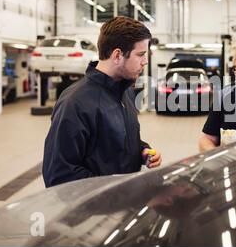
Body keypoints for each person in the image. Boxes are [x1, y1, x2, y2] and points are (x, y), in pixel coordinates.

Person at [42, 16, 162, 187]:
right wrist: (113, 192)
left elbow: (116, 143)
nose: (145, 61)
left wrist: (142, 151)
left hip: (123, 204)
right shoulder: (75, 102)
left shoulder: (125, 92)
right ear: (118, 55)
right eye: (141, 54)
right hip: (95, 210)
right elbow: (58, 174)